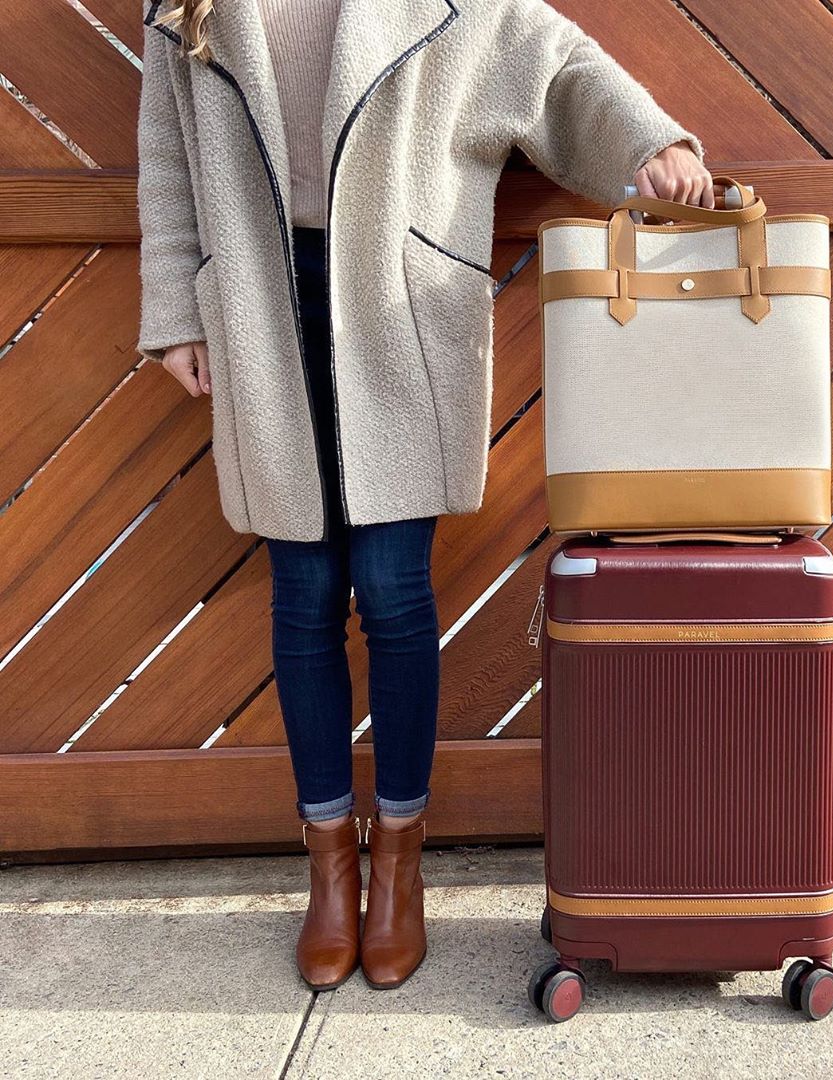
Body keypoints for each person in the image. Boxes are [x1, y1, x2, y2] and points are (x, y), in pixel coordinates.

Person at [135, 0, 712, 992]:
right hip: (257, 303)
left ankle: (398, 862)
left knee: (396, 593)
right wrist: (176, 308)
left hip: (398, 302)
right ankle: (329, 866)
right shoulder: (182, 3)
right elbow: (169, 164)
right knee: (303, 595)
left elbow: (553, 62)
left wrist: (651, 140)